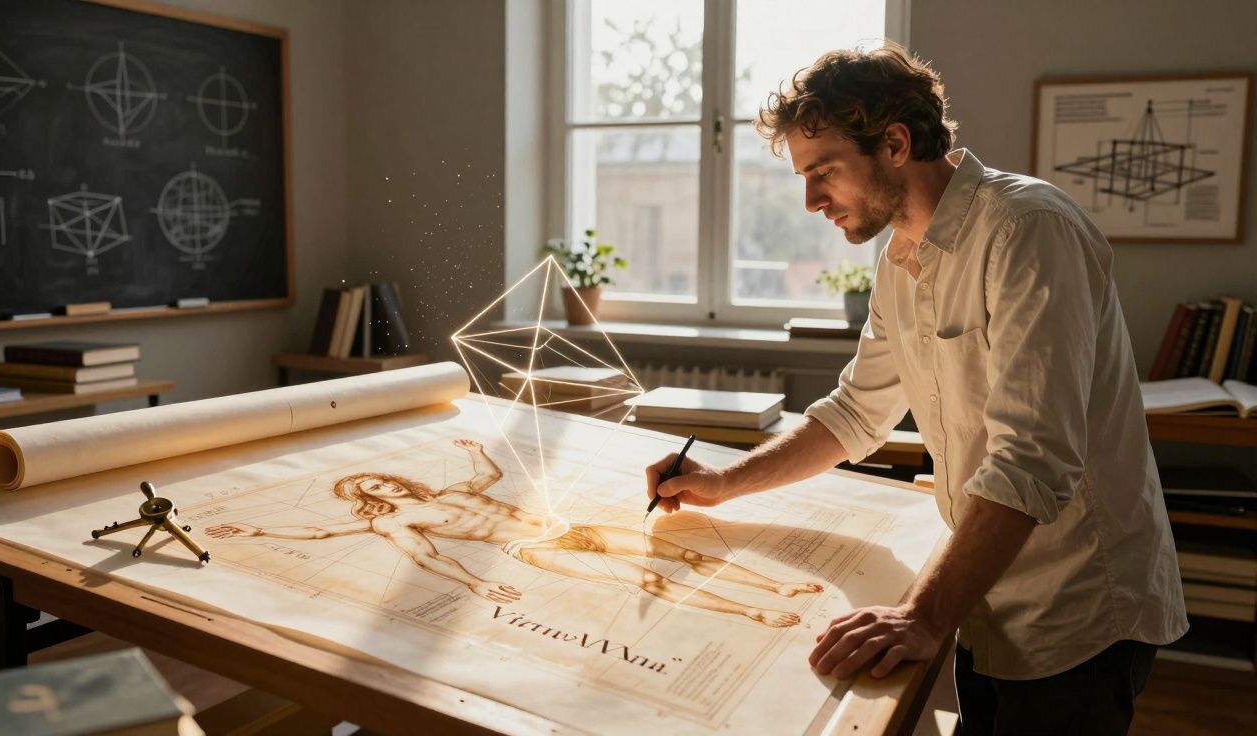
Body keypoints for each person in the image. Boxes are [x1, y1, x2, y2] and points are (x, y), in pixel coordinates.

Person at [644, 43, 1186, 734]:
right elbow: (853, 415)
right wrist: (723, 482)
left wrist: (922, 615)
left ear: (895, 143)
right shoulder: (900, 258)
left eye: (824, 173)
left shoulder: (1029, 229)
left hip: (1077, 611)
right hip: (985, 599)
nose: (811, 201)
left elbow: (1032, 461)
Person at [207, 438, 823, 627]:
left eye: (385, 480)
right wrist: (257, 527)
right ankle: (753, 615)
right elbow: (329, 537)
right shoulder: (402, 521)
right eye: (372, 490)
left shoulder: (446, 493)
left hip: (563, 522)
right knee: (646, 580)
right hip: (530, 547)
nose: (386, 488)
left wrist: (478, 453)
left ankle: (774, 588)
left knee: (679, 551)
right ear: (370, 500)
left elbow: (491, 474)